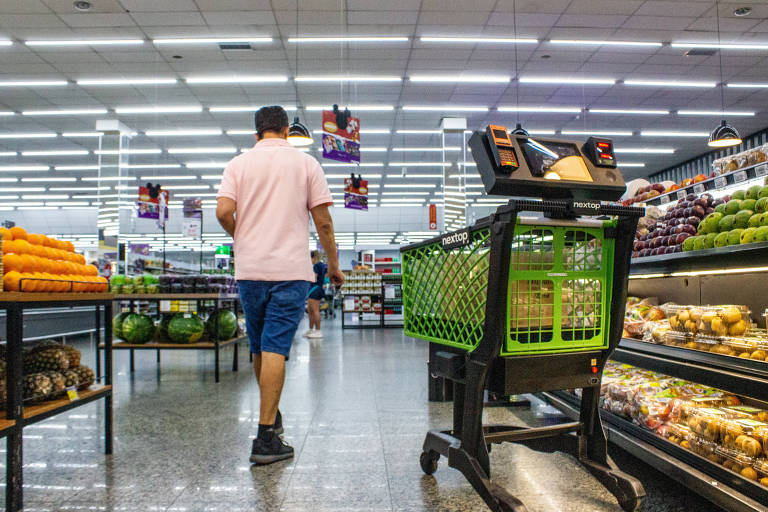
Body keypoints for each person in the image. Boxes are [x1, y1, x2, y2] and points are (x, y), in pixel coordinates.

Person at [216, 105, 344, 465]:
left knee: (259, 347)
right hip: (289, 270)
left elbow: (224, 211)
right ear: (287, 131)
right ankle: (266, 436)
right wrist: (333, 264)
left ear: (256, 132)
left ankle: (271, 415)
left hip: (250, 270)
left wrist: (243, 237)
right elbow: (324, 223)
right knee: (274, 347)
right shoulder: (306, 165)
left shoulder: (237, 165)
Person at [304, 251, 327, 339]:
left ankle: (318, 331)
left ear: (312, 258)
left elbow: (313, 277)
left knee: (315, 310)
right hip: (314, 288)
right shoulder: (320, 265)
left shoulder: (317, 265)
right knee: (310, 310)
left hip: (315, 289)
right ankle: (311, 329)